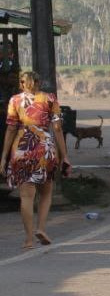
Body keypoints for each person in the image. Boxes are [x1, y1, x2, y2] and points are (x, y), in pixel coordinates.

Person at [1, 71, 70, 250]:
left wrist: (4, 157)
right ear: (39, 82)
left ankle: (29, 240)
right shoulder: (50, 99)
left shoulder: (15, 100)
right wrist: (65, 155)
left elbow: (10, 129)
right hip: (44, 150)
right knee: (46, 193)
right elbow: (57, 128)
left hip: (21, 150)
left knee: (26, 197)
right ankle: (41, 229)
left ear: (22, 83)